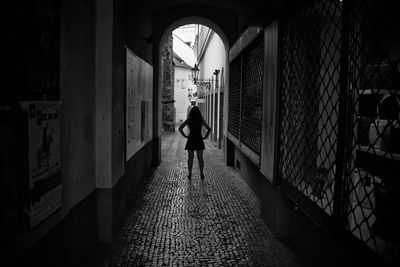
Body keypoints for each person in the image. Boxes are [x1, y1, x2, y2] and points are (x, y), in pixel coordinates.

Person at [178, 106, 211, 180]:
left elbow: (180, 128)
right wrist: (205, 137)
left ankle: (190, 173)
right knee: (200, 158)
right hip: (199, 139)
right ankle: (201, 173)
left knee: (190, 158)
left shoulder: (189, 119)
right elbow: (209, 129)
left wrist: (185, 136)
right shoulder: (200, 119)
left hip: (191, 139)